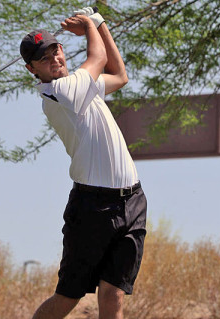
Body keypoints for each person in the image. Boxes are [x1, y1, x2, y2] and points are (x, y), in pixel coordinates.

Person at [19, 7, 147, 319]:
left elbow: (119, 75)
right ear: (31, 69)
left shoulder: (80, 84)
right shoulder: (60, 92)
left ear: (62, 49)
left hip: (132, 201)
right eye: (44, 58)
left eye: (55, 50)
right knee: (67, 298)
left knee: (114, 292)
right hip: (92, 208)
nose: (54, 60)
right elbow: (98, 59)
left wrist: (101, 25)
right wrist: (90, 25)